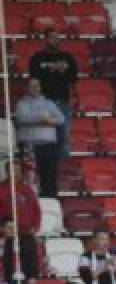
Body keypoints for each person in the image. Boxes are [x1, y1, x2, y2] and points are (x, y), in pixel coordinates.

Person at [29, 29, 77, 158]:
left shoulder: (67, 57)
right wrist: (53, 69)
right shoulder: (37, 57)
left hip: (62, 103)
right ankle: (44, 167)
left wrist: (62, 72)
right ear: (45, 39)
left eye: (57, 37)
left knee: (63, 137)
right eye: (52, 37)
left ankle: (63, 169)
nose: (55, 40)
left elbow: (73, 77)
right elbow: (33, 77)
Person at [14, 79, 64, 198]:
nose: (35, 88)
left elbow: (61, 119)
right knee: (29, 176)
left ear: (41, 87)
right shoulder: (22, 103)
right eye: (32, 86)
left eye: (37, 85)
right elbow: (22, 118)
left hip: (49, 145)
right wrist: (42, 118)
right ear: (27, 88)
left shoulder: (49, 103)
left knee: (49, 176)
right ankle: (31, 201)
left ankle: (50, 200)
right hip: (30, 146)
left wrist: (49, 120)